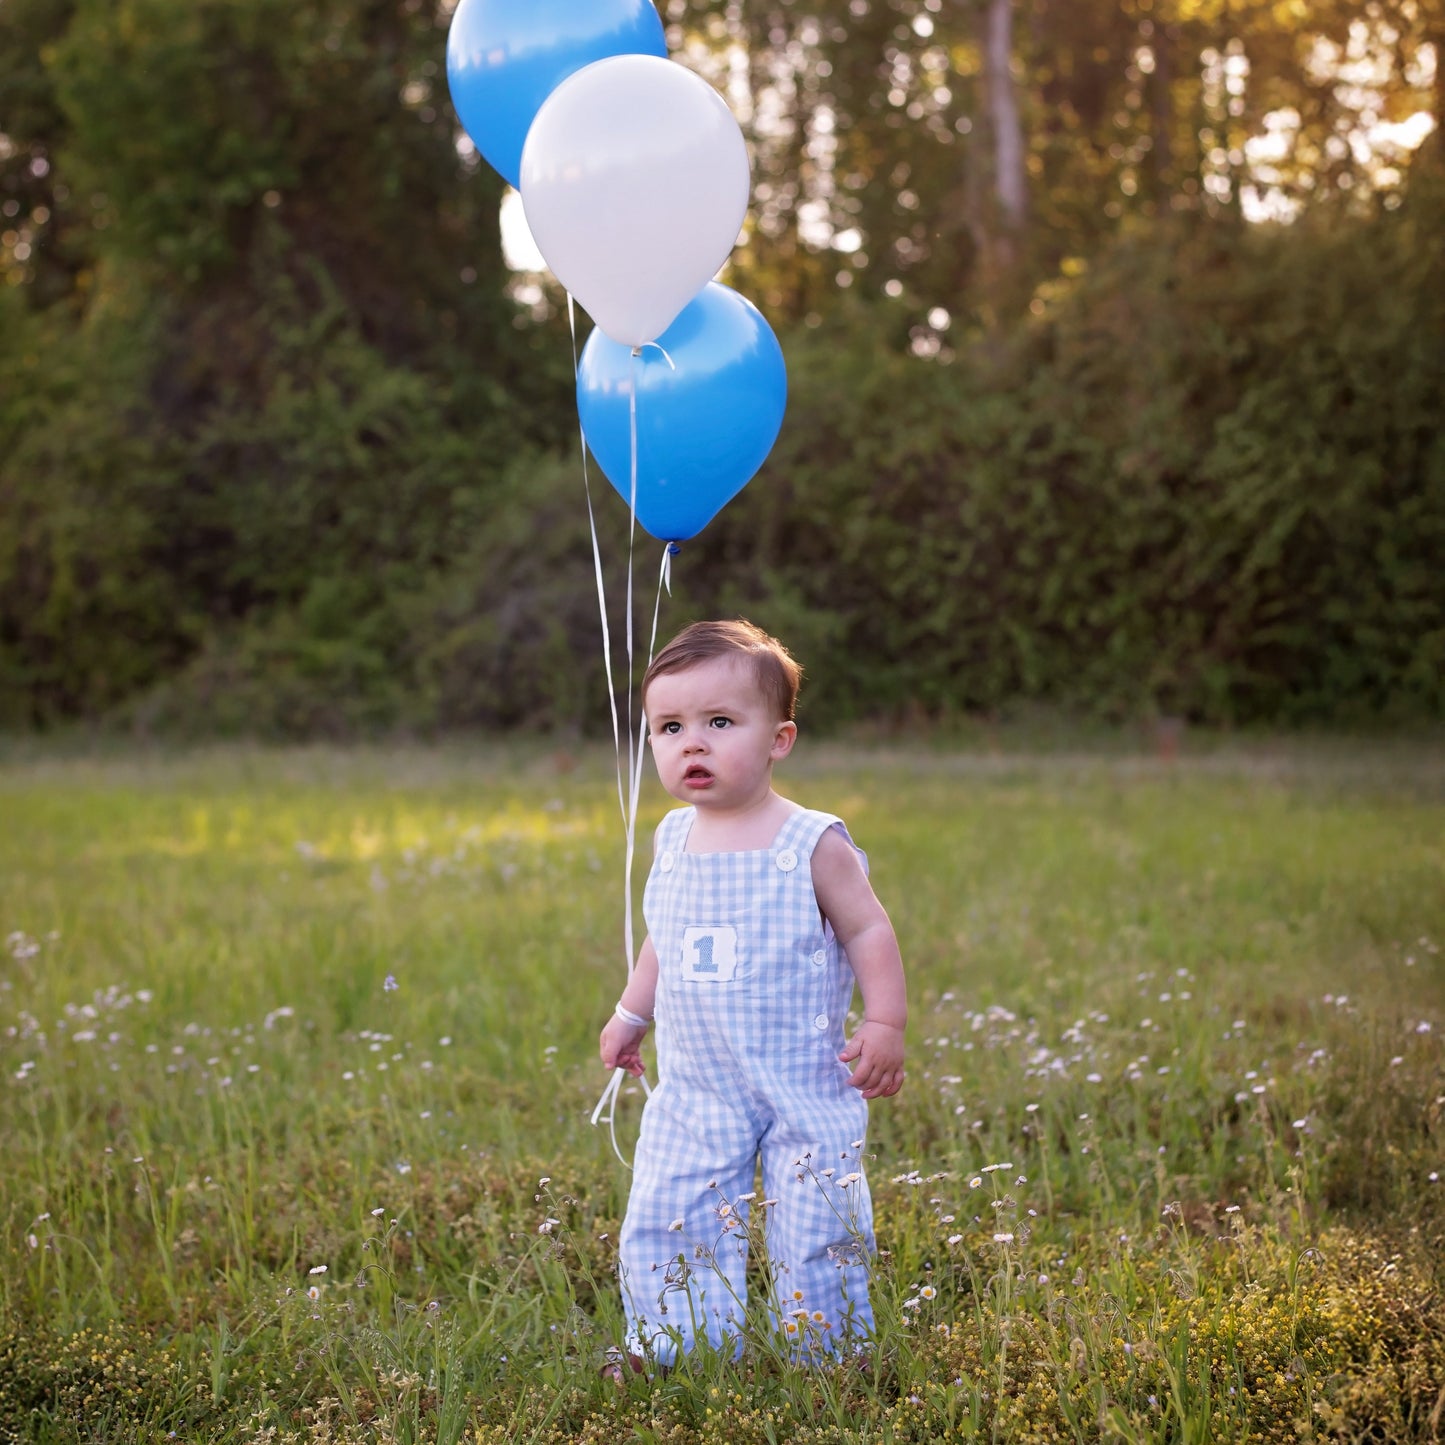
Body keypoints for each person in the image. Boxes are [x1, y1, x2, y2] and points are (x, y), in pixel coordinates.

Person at [598, 619, 906, 1372]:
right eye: (669, 727)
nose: (691, 743)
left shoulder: (809, 840)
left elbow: (868, 928)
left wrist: (885, 1019)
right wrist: (631, 1011)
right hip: (699, 1081)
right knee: (672, 1205)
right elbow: (661, 937)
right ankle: (675, 1345)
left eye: (719, 722)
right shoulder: (673, 838)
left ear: (779, 738)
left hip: (803, 1074)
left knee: (817, 1215)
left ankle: (831, 1351)